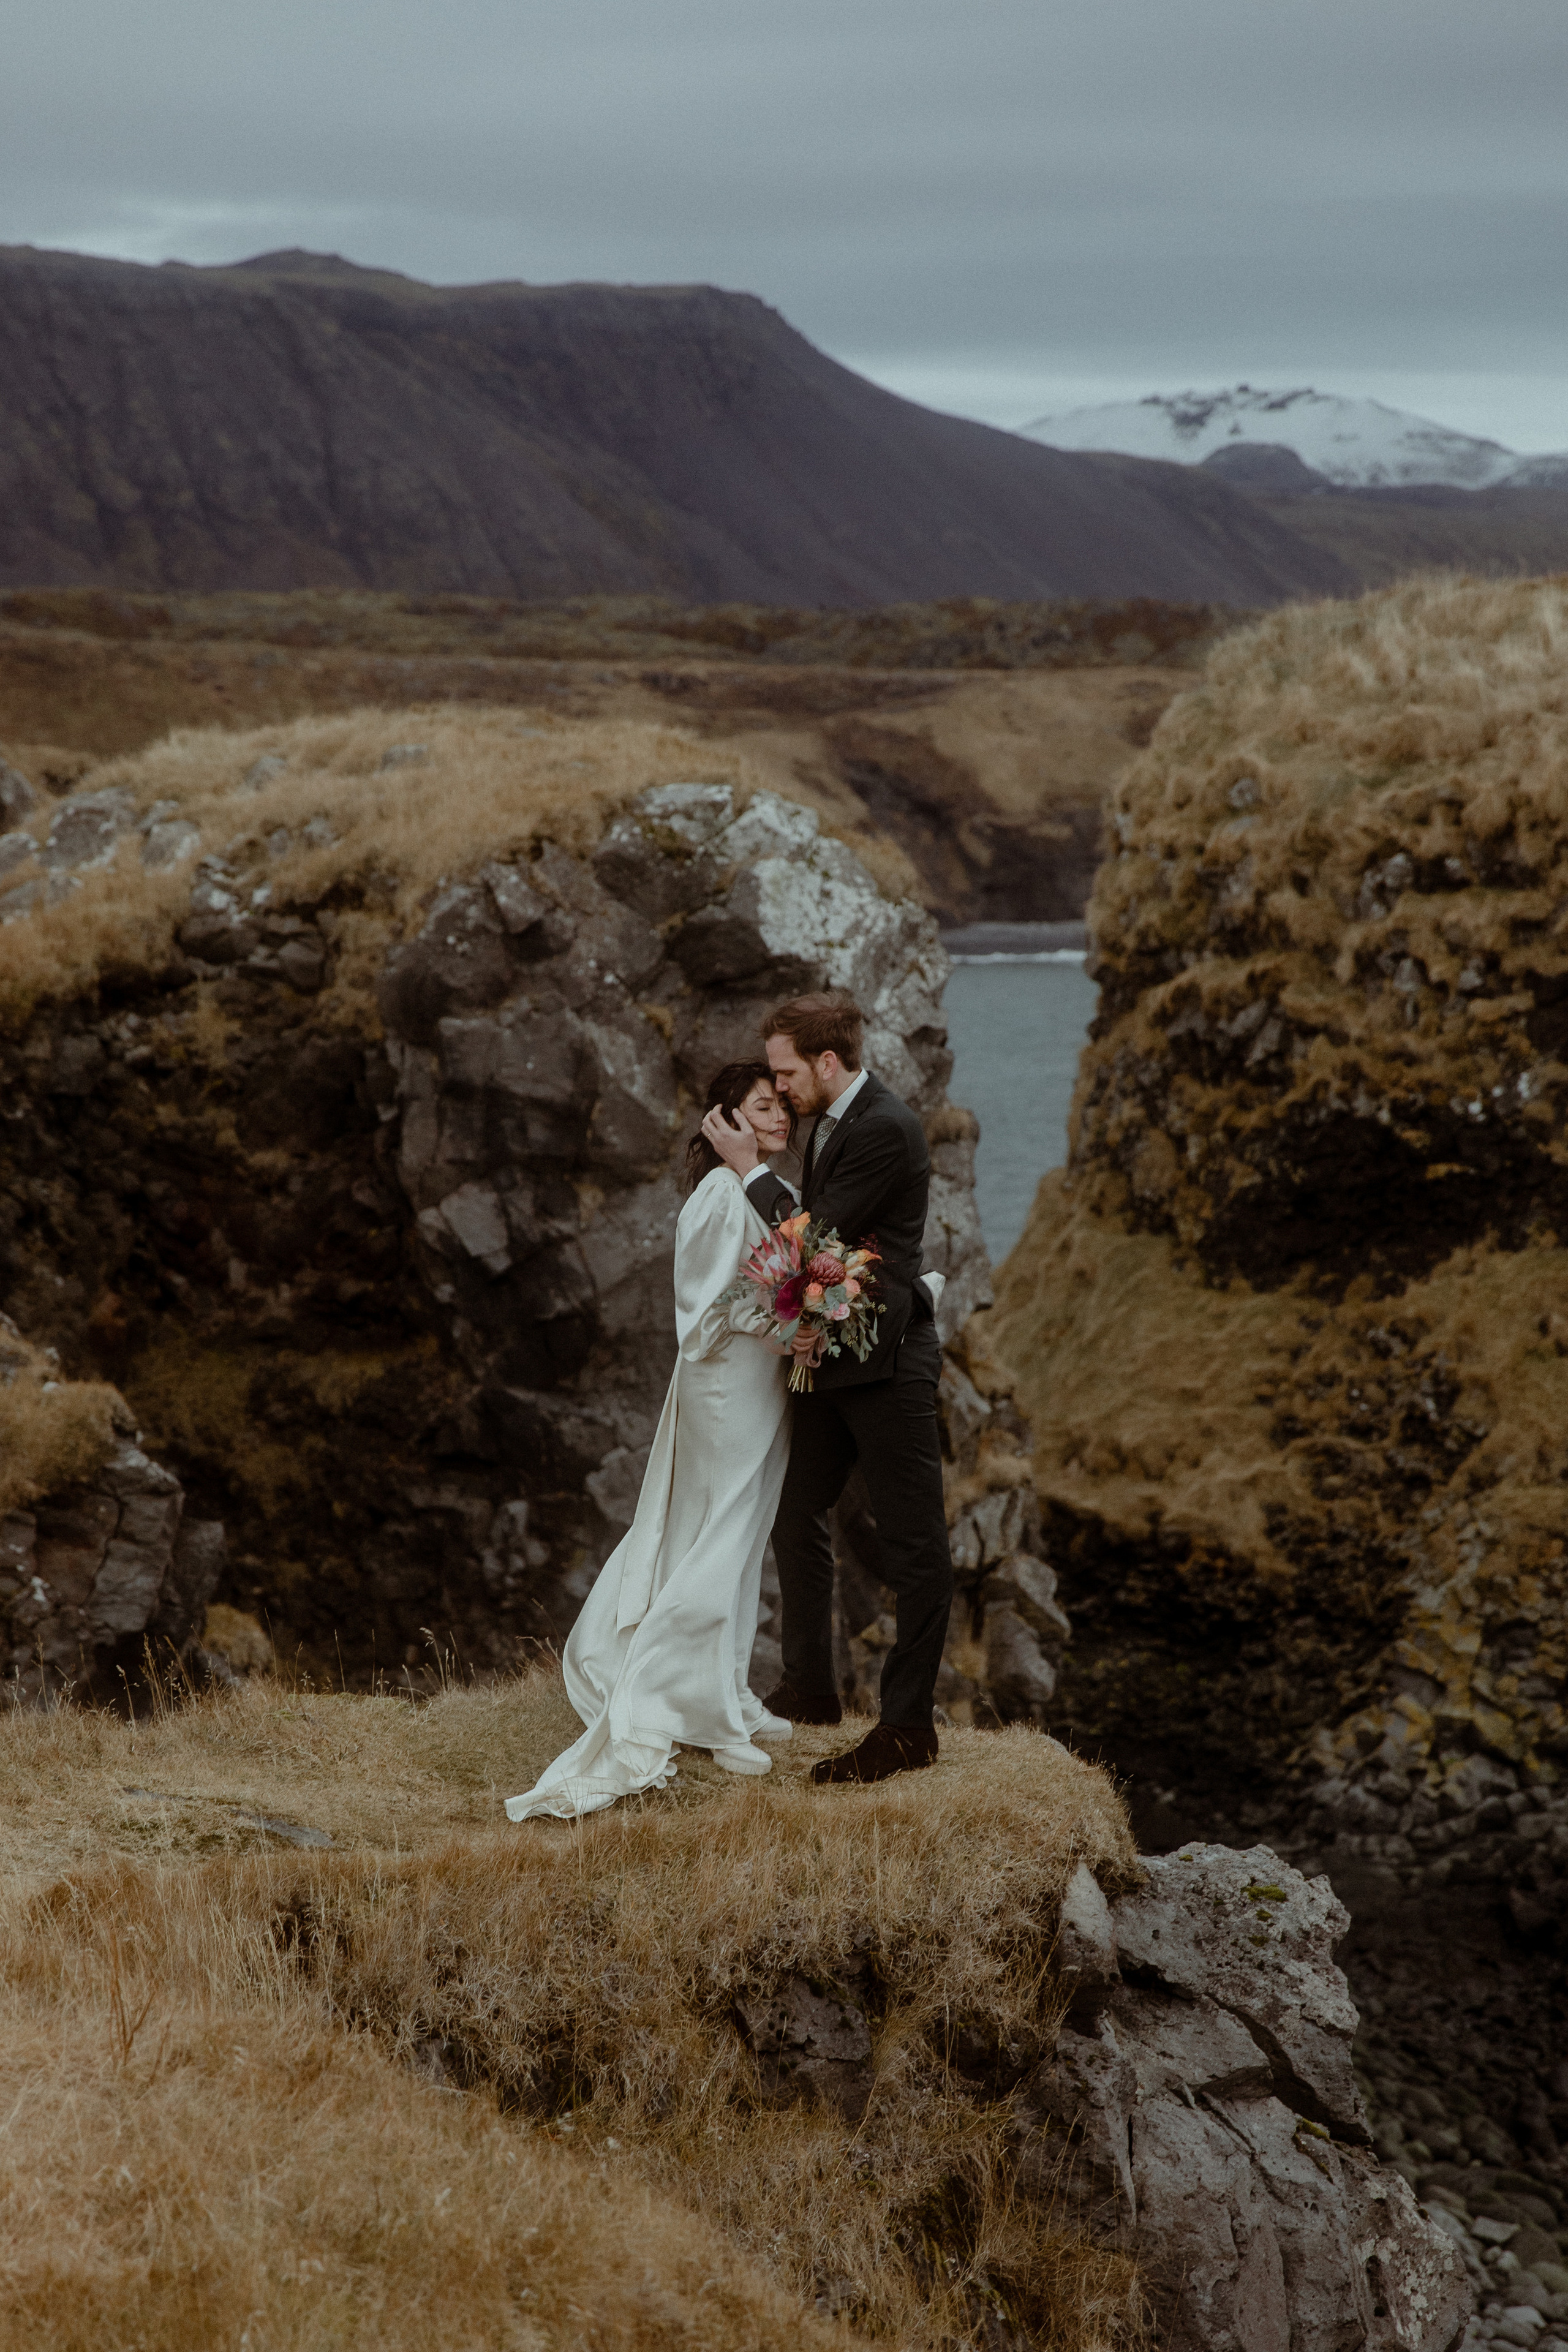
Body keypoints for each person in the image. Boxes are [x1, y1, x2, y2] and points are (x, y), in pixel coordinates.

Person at [505, 1062, 797, 1821]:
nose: (779, 1118)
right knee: (718, 1538)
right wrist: (786, 1327)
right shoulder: (718, 1195)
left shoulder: (759, 1189)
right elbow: (704, 1312)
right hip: (727, 1387)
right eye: (761, 1108)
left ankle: (730, 1690)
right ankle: (696, 1711)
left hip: (760, 1388)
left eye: (780, 1106)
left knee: (743, 1535)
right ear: (724, 1121)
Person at [700, 991, 952, 1787]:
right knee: (795, 1507)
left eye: (786, 1073)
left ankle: (909, 1727)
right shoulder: (834, 1123)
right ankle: (812, 1688)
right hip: (832, 1357)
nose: (780, 1091)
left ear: (828, 1062)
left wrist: (746, 1172)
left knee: (915, 1547)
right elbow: (826, 1259)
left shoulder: (885, 1127)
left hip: (891, 1366)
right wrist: (793, 1321)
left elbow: (818, 1239)